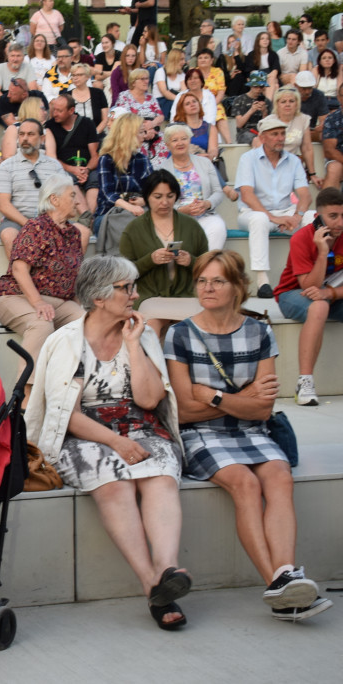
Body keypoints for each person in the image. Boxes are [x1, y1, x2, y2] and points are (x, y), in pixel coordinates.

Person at [164, 250, 333, 623]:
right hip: (200, 436)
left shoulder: (259, 331)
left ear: (238, 286)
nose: (207, 288)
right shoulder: (180, 334)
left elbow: (262, 410)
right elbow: (186, 411)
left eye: (218, 281)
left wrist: (216, 395)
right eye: (202, 281)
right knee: (244, 483)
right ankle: (278, 584)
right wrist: (243, 399)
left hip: (252, 431)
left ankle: (284, 576)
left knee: (279, 476)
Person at [27, 254, 191, 630]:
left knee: (161, 475)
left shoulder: (143, 334)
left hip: (142, 424)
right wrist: (116, 443)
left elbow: (150, 400)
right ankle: (151, 584)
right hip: (84, 432)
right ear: (99, 297)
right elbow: (65, 413)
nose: (134, 295)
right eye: (126, 288)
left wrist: (133, 345)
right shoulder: (66, 342)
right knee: (113, 484)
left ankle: (167, 570)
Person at [0, 174, 89, 396]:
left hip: (58, 301)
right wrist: (37, 301)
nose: (77, 201)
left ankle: (73, 387)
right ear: (54, 200)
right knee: (41, 324)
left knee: (85, 322)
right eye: (72, 195)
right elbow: (19, 269)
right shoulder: (36, 227)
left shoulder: (74, 233)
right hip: (15, 297)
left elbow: (74, 274)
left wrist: (77, 304)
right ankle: (26, 394)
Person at [117, 169, 208, 338]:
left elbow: (208, 266)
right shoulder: (134, 229)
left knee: (198, 328)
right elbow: (123, 272)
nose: (165, 202)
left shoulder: (191, 226)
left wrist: (191, 261)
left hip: (186, 296)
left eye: (170, 196)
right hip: (150, 297)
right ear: (147, 197)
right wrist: (150, 260)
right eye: (158, 197)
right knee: (151, 327)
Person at [273, 187, 343, 405]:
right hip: (292, 294)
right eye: (333, 216)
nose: (340, 222)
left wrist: (330, 292)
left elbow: (322, 291)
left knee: (322, 301)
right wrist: (323, 252)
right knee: (319, 306)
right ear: (318, 216)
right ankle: (305, 382)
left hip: (330, 293)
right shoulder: (301, 239)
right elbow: (308, 286)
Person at [235, 117, 316, 298]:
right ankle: (263, 281)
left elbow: (305, 195)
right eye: (275, 134)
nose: (280, 138)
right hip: (253, 213)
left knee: (313, 217)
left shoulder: (293, 160)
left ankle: (311, 275)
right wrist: (273, 218)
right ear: (263, 137)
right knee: (260, 219)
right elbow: (247, 195)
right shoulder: (247, 159)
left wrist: (297, 215)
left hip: (286, 213)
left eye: (282, 134)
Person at [0, 118, 70, 249]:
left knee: (83, 232)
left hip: (51, 219)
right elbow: (4, 205)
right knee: (8, 235)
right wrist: (31, 225)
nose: (25, 138)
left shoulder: (54, 166)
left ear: (42, 139)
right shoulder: (6, 166)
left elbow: (65, 198)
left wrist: (54, 221)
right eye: (21, 134)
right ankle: (19, 270)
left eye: (30, 134)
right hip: (17, 221)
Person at [156, 125, 227, 249]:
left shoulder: (205, 163)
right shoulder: (161, 170)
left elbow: (218, 192)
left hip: (205, 213)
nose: (180, 143)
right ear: (167, 145)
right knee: (173, 244)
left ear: (189, 140)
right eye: (174, 140)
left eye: (184, 138)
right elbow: (160, 201)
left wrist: (206, 204)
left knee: (218, 227)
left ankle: (207, 266)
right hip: (175, 218)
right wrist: (181, 210)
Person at [95, 112, 152, 233]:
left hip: (138, 212)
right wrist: (130, 207)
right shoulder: (106, 159)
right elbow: (107, 193)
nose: (144, 136)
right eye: (141, 132)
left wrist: (145, 200)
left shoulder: (143, 159)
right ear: (129, 134)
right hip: (109, 214)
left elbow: (153, 189)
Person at [47, 93, 100, 215]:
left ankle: (89, 218)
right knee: (68, 179)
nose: (55, 114)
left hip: (87, 169)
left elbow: (94, 156)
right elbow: (52, 157)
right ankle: (86, 216)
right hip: (64, 169)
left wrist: (86, 170)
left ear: (71, 110)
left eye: (59, 111)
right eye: (54, 109)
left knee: (95, 178)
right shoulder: (50, 126)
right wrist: (72, 169)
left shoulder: (87, 123)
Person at [231, 72, 271, 146]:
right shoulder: (239, 100)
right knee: (256, 139)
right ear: (251, 86)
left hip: (262, 131)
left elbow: (267, 125)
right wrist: (251, 110)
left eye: (261, 87)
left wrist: (264, 112)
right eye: (256, 86)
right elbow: (239, 124)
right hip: (245, 132)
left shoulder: (267, 101)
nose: (258, 89)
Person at [69, 63, 109, 136]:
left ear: (87, 76)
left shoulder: (98, 93)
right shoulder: (67, 96)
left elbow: (105, 119)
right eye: (73, 75)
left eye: (79, 75)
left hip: (97, 135)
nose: (75, 78)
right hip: (74, 137)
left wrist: (94, 134)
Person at [243, 32, 280, 99]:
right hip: (256, 76)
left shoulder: (273, 54)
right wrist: (266, 77)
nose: (265, 40)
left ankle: (268, 103)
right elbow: (251, 72)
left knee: (274, 82)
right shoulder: (251, 55)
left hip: (270, 77)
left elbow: (275, 72)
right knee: (275, 85)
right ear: (258, 41)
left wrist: (267, 77)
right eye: (262, 39)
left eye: (267, 39)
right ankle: (270, 104)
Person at [321, 87, 343, 189]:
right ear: (339, 98)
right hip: (340, 161)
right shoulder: (332, 119)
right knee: (334, 168)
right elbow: (329, 150)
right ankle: (327, 204)